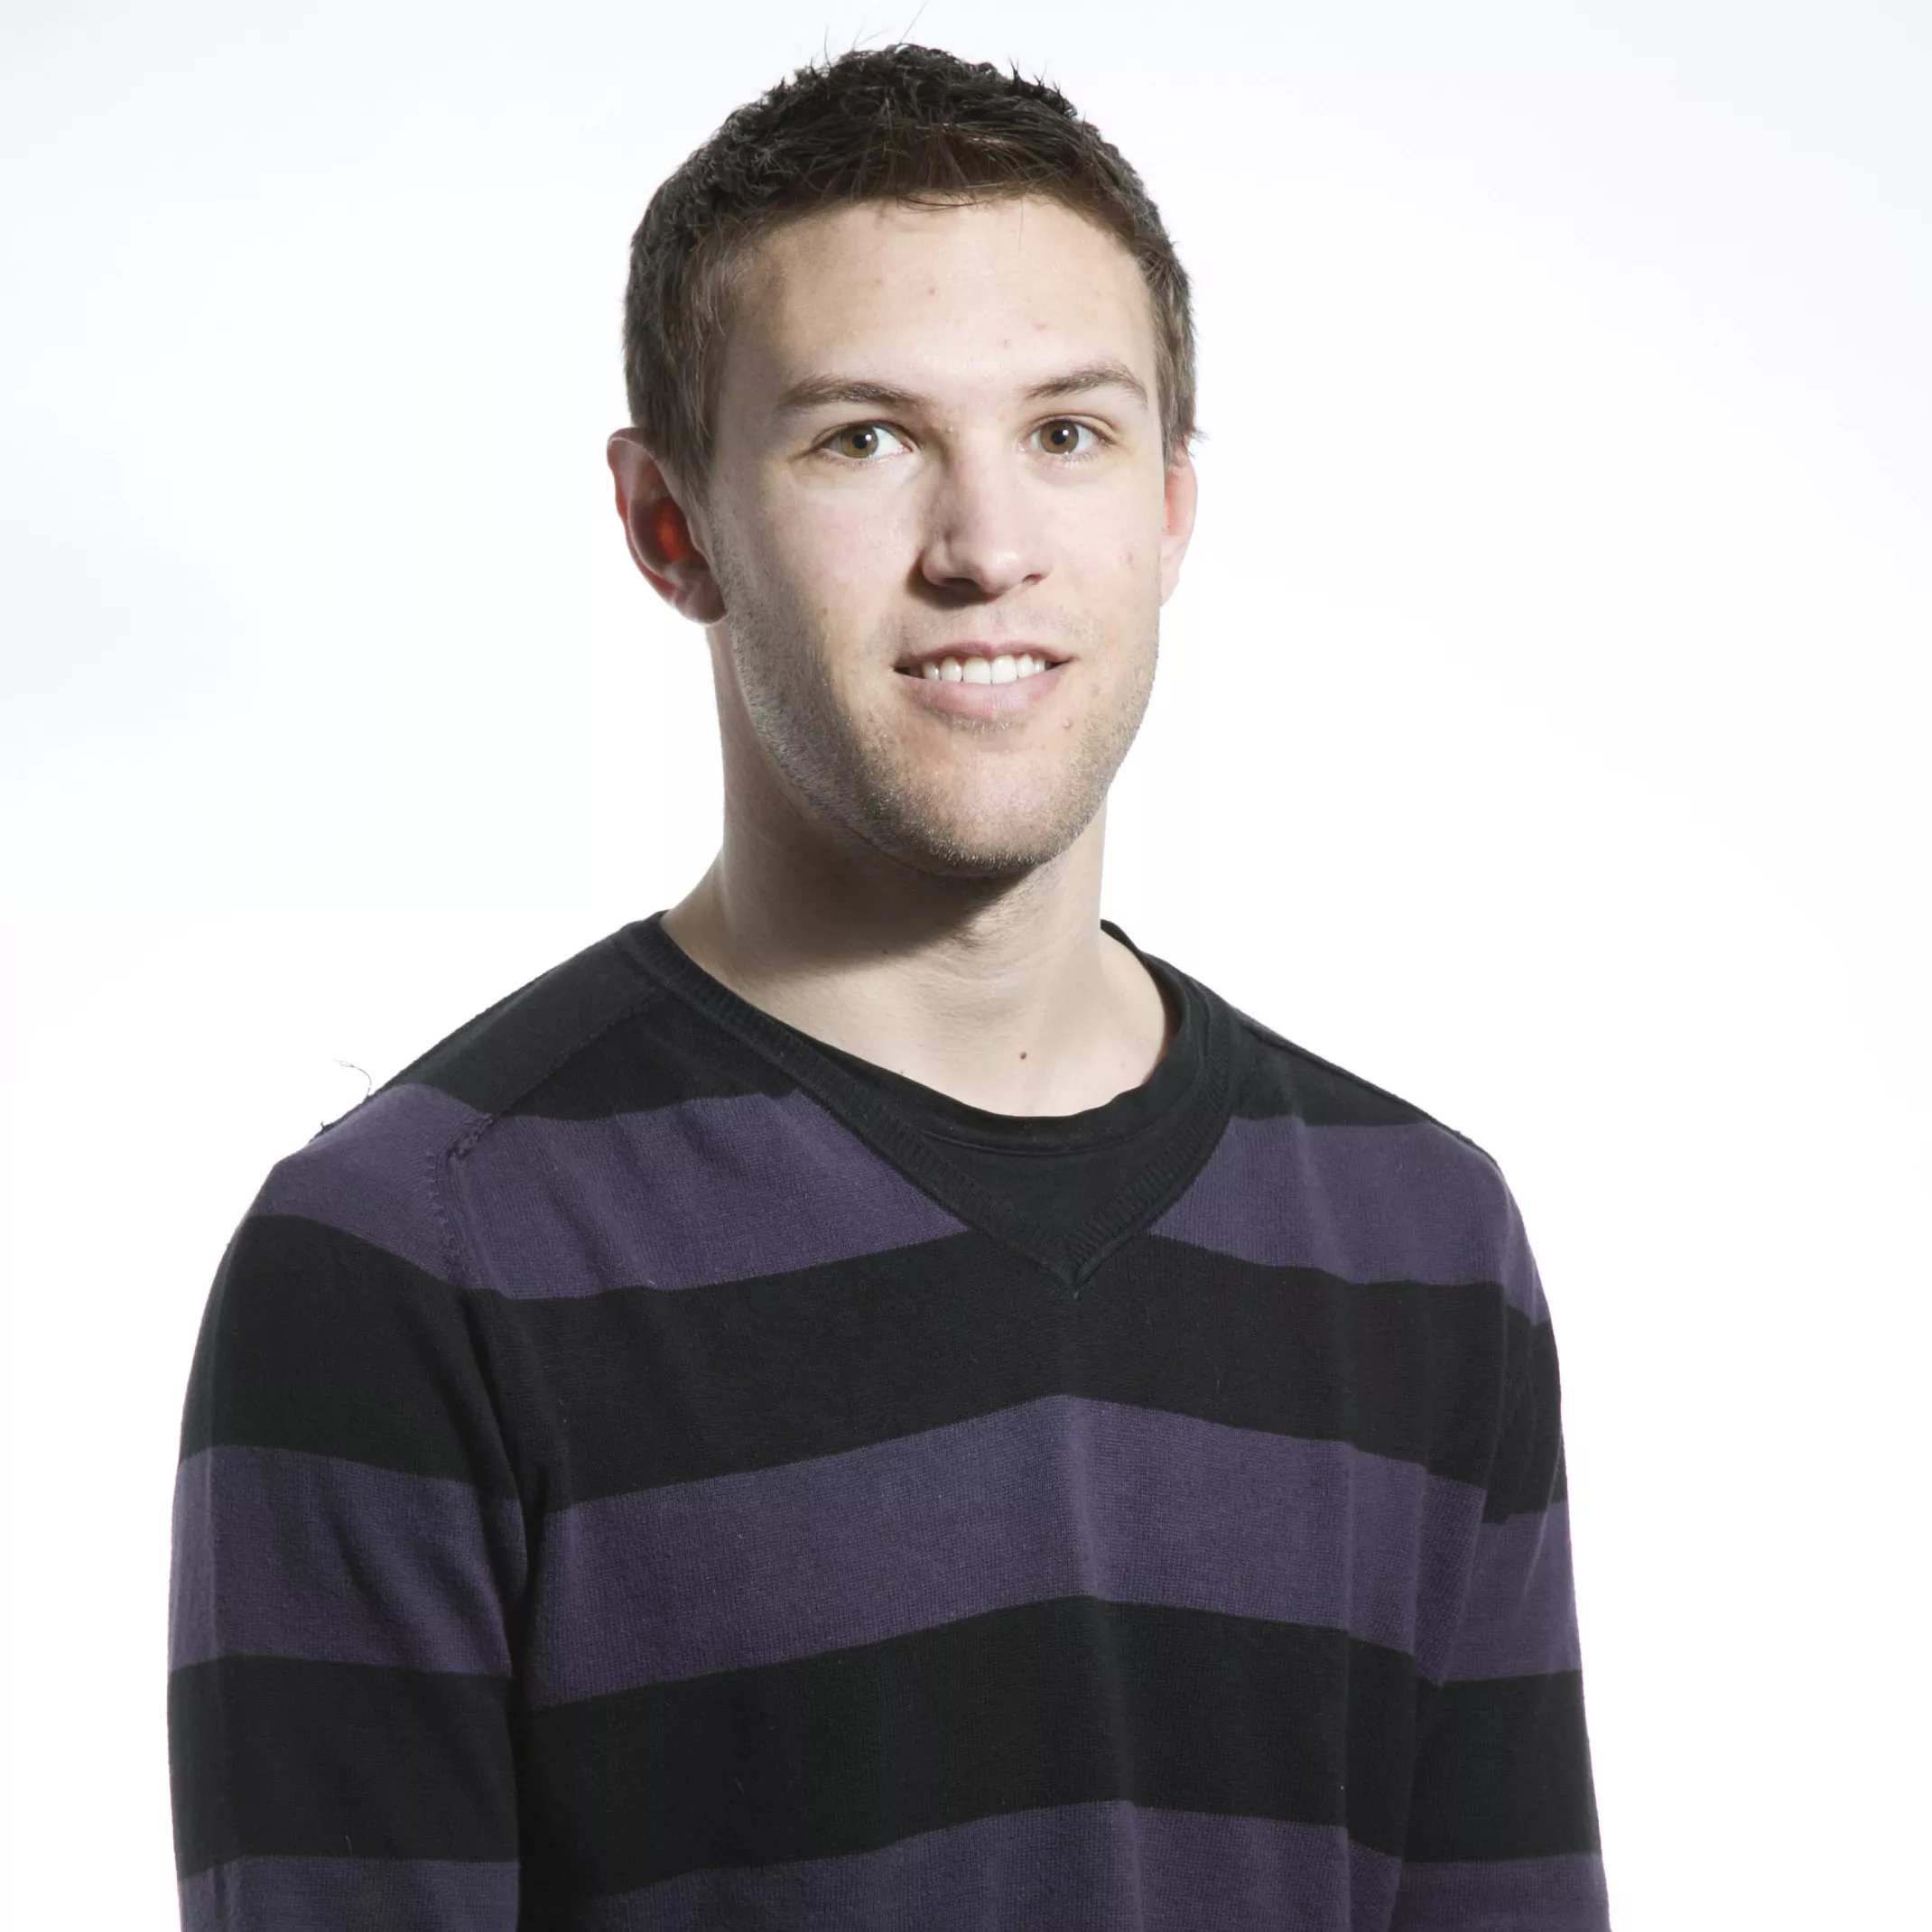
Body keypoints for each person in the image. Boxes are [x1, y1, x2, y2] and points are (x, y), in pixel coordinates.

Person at [167, 44, 1610, 1932]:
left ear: (1172, 505)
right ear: (670, 524)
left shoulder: (1417, 1241)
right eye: (863, 438)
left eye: (1068, 433)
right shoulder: (414, 1267)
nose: (986, 548)